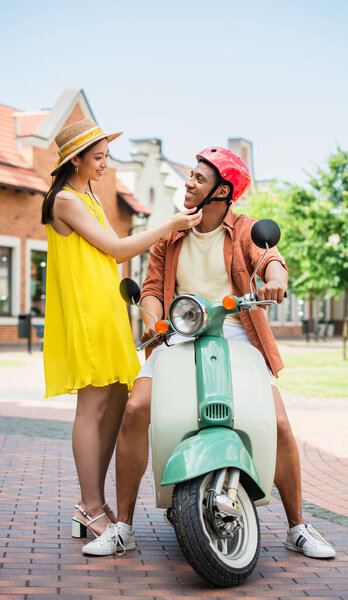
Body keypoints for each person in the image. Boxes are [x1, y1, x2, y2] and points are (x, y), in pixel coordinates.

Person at [82, 147, 335, 559]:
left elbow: (271, 259)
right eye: (192, 176)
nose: (189, 183)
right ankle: (124, 527)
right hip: (180, 331)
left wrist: (275, 280)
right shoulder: (170, 234)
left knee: (280, 424)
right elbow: (150, 288)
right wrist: (150, 316)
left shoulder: (247, 229)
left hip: (236, 332)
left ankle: (298, 525)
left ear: (221, 191)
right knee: (136, 409)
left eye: (199, 179)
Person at [42, 118, 202, 544]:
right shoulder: (64, 201)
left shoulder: (90, 195)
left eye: (106, 156)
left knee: (117, 398)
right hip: (86, 314)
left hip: (109, 308)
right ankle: (90, 506)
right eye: (97, 158)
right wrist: (169, 226)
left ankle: (91, 504)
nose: (104, 164)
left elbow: (112, 253)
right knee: (91, 407)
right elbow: (115, 250)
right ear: (73, 160)